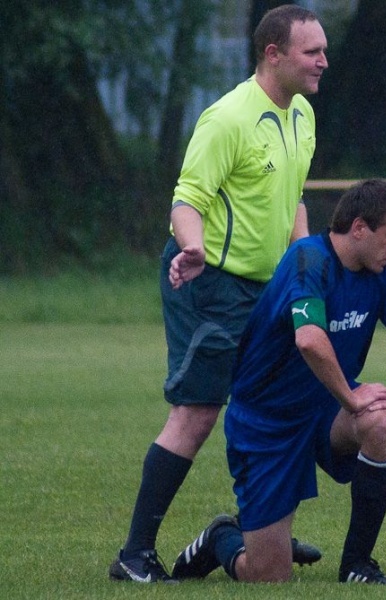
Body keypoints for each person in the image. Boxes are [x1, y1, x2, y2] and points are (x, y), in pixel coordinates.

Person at [109, 5, 328, 583]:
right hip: (209, 280)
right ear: (273, 54)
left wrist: (304, 262)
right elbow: (187, 200)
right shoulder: (228, 118)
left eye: (324, 50)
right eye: (312, 52)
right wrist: (194, 247)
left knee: (283, 402)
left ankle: (264, 530)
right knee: (199, 411)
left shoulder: (303, 114)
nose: (323, 62)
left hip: (270, 285)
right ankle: (134, 555)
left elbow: (293, 198)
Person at [169, 179, 386, 585]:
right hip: (267, 421)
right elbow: (309, 339)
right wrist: (352, 397)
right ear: (359, 228)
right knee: (268, 576)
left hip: (325, 408)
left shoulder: (382, 269)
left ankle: (357, 564)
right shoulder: (309, 260)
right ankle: (222, 538)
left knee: (382, 425)